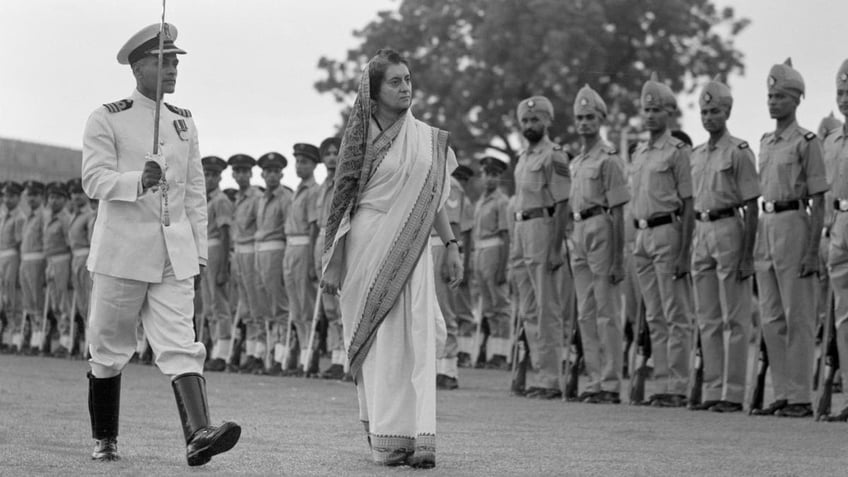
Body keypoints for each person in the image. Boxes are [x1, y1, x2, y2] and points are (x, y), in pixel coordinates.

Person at [81, 23, 240, 465]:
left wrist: (200, 250)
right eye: (163, 61)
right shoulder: (107, 117)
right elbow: (93, 179)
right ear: (138, 68)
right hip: (123, 251)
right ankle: (105, 438)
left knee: (179, 342)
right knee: (108, 348)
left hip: (174, 250)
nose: (173, 69)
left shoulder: (183, 121)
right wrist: (137, 180)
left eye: (175, 61)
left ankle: (198, 434)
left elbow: (194, 191)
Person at [320, 48, 461, 468]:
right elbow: (340, 205)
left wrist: (452, 246)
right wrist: (334, 262)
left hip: (412, 247)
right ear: (374, 91)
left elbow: (434, 198)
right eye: (395, 82)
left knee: (415, 338)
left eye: (408, 79)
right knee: (377, 340)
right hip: (365, 245)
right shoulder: (358, 140)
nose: (405, 88)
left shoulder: (428, 140)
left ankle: (420, 438)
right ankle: (386, 437)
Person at [752, 58, 827, 419]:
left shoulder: (806, 142)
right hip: (767, 227)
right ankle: (781, 392)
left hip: (794, 223)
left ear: (796, 100)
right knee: (771, 316)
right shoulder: (765, 142)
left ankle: (800, 395)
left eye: (780, 96)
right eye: (770, 95)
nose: (773, 102)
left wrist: (813, 251)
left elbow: (819, 199)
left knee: (798, 315)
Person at [688, 77, 760, 413]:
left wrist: (748, 255)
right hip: (701, 231)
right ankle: (712, 389)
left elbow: (752, 206)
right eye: (704, 111)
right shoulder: (697, 155)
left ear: (727, 111)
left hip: (730, 227)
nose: (709, 117)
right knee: (708, 318)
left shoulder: (740, 151)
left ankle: (731, 393)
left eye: (715, 111)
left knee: (735, 317)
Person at [630, 73, 695, 407]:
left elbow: (689, 202)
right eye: (646, 109)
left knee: (675, 314)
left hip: (668, 231)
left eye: (657, 110)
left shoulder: (678, 151)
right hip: (641, 236)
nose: (651, 115)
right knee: (654, 315)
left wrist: (685, 252)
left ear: (669, 113)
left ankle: (678, 385)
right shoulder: (639, 153)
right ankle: (663, 382)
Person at [569, 84, 630, 404]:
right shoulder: (577, 161)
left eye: (590, 117)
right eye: (579, 118)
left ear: (601, 119)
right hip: (578, 230)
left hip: (601, 227)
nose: (584, 123)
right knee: (585, 312)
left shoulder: (610, 159)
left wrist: (619, 259)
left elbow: (620, 212)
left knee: (607, 310)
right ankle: (593, 379)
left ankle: (610, 381)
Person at [511, 95, 571, 400]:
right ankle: (539, 372)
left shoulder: (555, 156)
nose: (530, 125)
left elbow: (562, 204)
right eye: (525, 120)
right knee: (529, 309)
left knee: (547, 309)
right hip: (521, 232)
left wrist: (556, 248)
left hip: (543, 230)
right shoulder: (522, 158)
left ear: (548, 121)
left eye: (536, 120)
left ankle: (550, 378)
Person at [821, 59, 848, 421]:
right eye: (841, 92)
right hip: (840, 223)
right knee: (843, 318)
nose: (845, 99)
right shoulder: (831, 142)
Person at [433, 164, 474, 389]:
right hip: (423, 248)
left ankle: (449, 369)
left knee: (445, 309)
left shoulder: (451, 183)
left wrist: (452, 254)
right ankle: (436, 366)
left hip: (441, 245)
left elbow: (454, 224)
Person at [254, 151, 293, 375]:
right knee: (265, 304)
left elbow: (288, 229)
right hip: (260, 251)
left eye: (276, 171)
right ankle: (269, 355)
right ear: (262, 174)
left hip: (276, 249)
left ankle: (282, 356)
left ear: (281, 174)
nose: (271, 175)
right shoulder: (261, 198)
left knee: (280, 305)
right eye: (268, 171)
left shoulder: (285, 197)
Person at [284, 143, 321, 375]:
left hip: (304, 247)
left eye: (304, 162)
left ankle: (310, 354)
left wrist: (310, 261)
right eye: (297, 161)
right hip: (290, 247)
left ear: (314, 165)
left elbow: (313, 229)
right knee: (295, 307)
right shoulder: (297, 190)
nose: (300, 166)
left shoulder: (314, 190)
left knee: (307, 305)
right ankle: (299, 356)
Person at [228, 153, 266, 374]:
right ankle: (249, 351)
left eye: (245, 171)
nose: (241, 175)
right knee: (245, 306)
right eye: (237, 171)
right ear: (233, 174)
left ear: (251, 173)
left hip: (252, 251)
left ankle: (258, 353)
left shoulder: (256, 197)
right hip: (238, 253)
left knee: (255, 303)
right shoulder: (237, 199)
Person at [473, 157, 511, 369]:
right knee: (488, 306)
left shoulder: (501, 201)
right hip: (480, 252)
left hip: (495, 250)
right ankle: (492, 352)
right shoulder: (480, 201)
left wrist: (503, 266)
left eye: (494, 174)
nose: (489, 178)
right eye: (486, 174)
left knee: (500, 305)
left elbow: (506, 235)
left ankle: (502, 353)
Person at [314, 137, 346, 380]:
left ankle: (345, 357)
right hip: (321, 241)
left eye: (336, 153)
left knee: (341, 303)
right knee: (329, 307)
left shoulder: (345, 182)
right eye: (327, 154)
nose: (332, 158)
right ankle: (335, 356)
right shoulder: (322, 186)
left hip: (338, 240)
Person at [200, 156, 234, 372]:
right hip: (204, 250)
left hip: (215, 250)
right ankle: (214, 349)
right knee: (209, 304)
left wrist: (223, 267)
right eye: (206, 174)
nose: (209, 178)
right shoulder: (204, 199)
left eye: (213, 175)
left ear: (220, 177)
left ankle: (223, 352)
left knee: (219, 304)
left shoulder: (220, 200)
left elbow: (225, 234)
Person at [43, 181, 73, 357]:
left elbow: (70, 246)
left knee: (64, 302)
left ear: (64, 200)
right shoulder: (49, 218)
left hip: (62, 261)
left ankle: (67, 340)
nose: (53, 201)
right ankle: (61, 336)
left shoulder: (65, 219)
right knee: (55, 303)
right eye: (51, 197)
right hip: (51, 262)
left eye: (57, 197)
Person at [67, 178, 96, 357]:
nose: (76, 197)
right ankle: (82, 342)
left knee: (89, 302)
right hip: (75, 259)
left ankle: (90, 344)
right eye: (73, 193)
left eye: (80, 193)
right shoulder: (74, 216)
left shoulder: (90, 215)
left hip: (86, 258)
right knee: (81, 303)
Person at [19, 181, 46, 355]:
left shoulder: (44, 216)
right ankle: (33, 335)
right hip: (25, 261)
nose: (30, 198)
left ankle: (40, 338)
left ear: (41, 196)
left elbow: (47, 243)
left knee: (38, 301)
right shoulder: (28, 217)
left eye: (34, 194)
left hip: (38, 261)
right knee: (28, 301)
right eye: (28, 194)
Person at [0, 182, 25, 353]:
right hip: (1, 256)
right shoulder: (2, 216)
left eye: (11, 196)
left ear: (18, 197)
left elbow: (20, 243)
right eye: (4, 195)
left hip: (12, 256)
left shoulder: (20, 218)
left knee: (13, 296)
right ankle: (6, 335)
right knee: (3, 298)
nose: (7, 199)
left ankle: (15, 338)